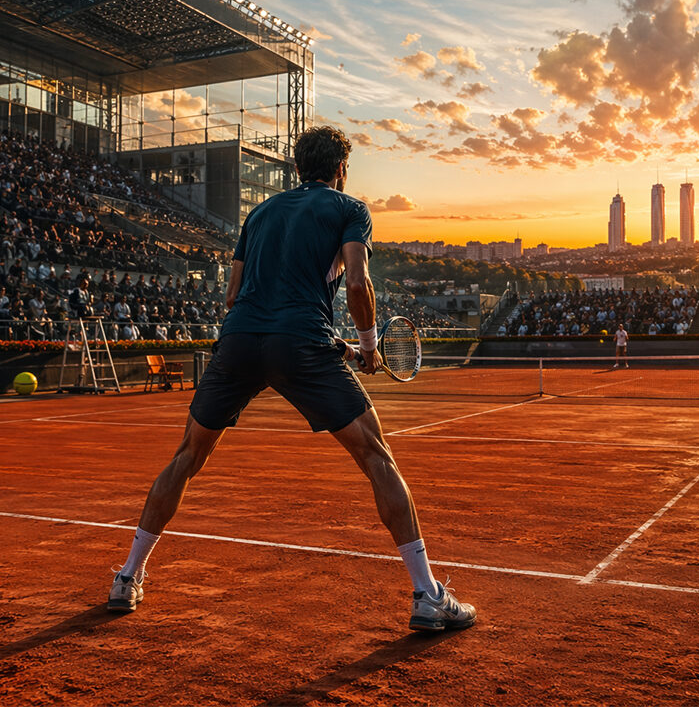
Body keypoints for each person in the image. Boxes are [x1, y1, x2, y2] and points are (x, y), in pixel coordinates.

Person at [107, 126, 476, 632]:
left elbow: (234, 295)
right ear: (341, 169)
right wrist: (367, 346)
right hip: (299, 340)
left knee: (187, 456)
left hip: (240, 337)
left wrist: (320, 339)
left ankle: (128, 576)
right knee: (375, 455)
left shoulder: (258, 214)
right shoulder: (351, 209)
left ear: (297, 168)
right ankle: (427, 596)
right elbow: (357, 280)